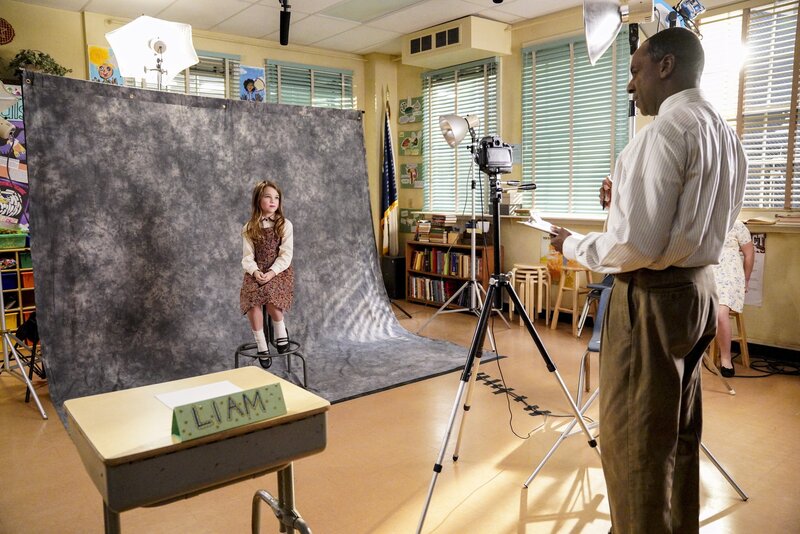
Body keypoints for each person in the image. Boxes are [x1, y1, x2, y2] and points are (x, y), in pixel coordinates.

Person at [550, 27, 747, 533]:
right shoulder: (724, 134)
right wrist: (623, 200)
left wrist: (571, 244)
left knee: (635, 444)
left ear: (666, 66)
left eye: (636, 70)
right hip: (699, 291)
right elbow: (708, 219)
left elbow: (635, 247)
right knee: (678, 433)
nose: (630, 84)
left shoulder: (663, 133)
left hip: (651, 299)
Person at [240, 180, 294, 368]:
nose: (273, 201)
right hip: (256, 271)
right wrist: (255, 272)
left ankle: (280, 331)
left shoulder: (284, 225)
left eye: (276, 198)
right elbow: (247, 257)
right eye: (268, 197)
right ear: (258, 200)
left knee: (271, 296)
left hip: (279, 271)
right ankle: (261, 345)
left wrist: (271, 273)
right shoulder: (249, 227)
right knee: (251, 299)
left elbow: (286, 255)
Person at [712, 220, 754, 377]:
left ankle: (726, 358)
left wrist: (746, 279)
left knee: (720, 314)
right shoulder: (704, 221)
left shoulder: (737, 225)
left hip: (730, 275)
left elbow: (749, 254)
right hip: (707, 271)